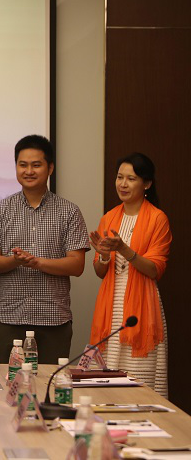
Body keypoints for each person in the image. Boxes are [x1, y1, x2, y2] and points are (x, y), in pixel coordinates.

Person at [0, 134, 89, 364]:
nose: (29, 171)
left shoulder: (69, 211)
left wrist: (37, 262)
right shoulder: (0, 210)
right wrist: (16, 261)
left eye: (36, 165)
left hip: (54, 319)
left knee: (51, 383)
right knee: (7, 382)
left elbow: (77, 265)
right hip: (10, 318)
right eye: (23, 165)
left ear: (50, 168)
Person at [89, 153, 171, 396]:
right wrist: (104, 255)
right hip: (111, 307)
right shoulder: (109, 217)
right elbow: (100, 271)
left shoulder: (157, 218)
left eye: (131, 179)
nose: (122, 184)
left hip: (142, 308)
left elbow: (155, 269)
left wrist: (124, 249)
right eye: (119, 177)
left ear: (147, 183)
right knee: (107, 383)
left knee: (138, 385)